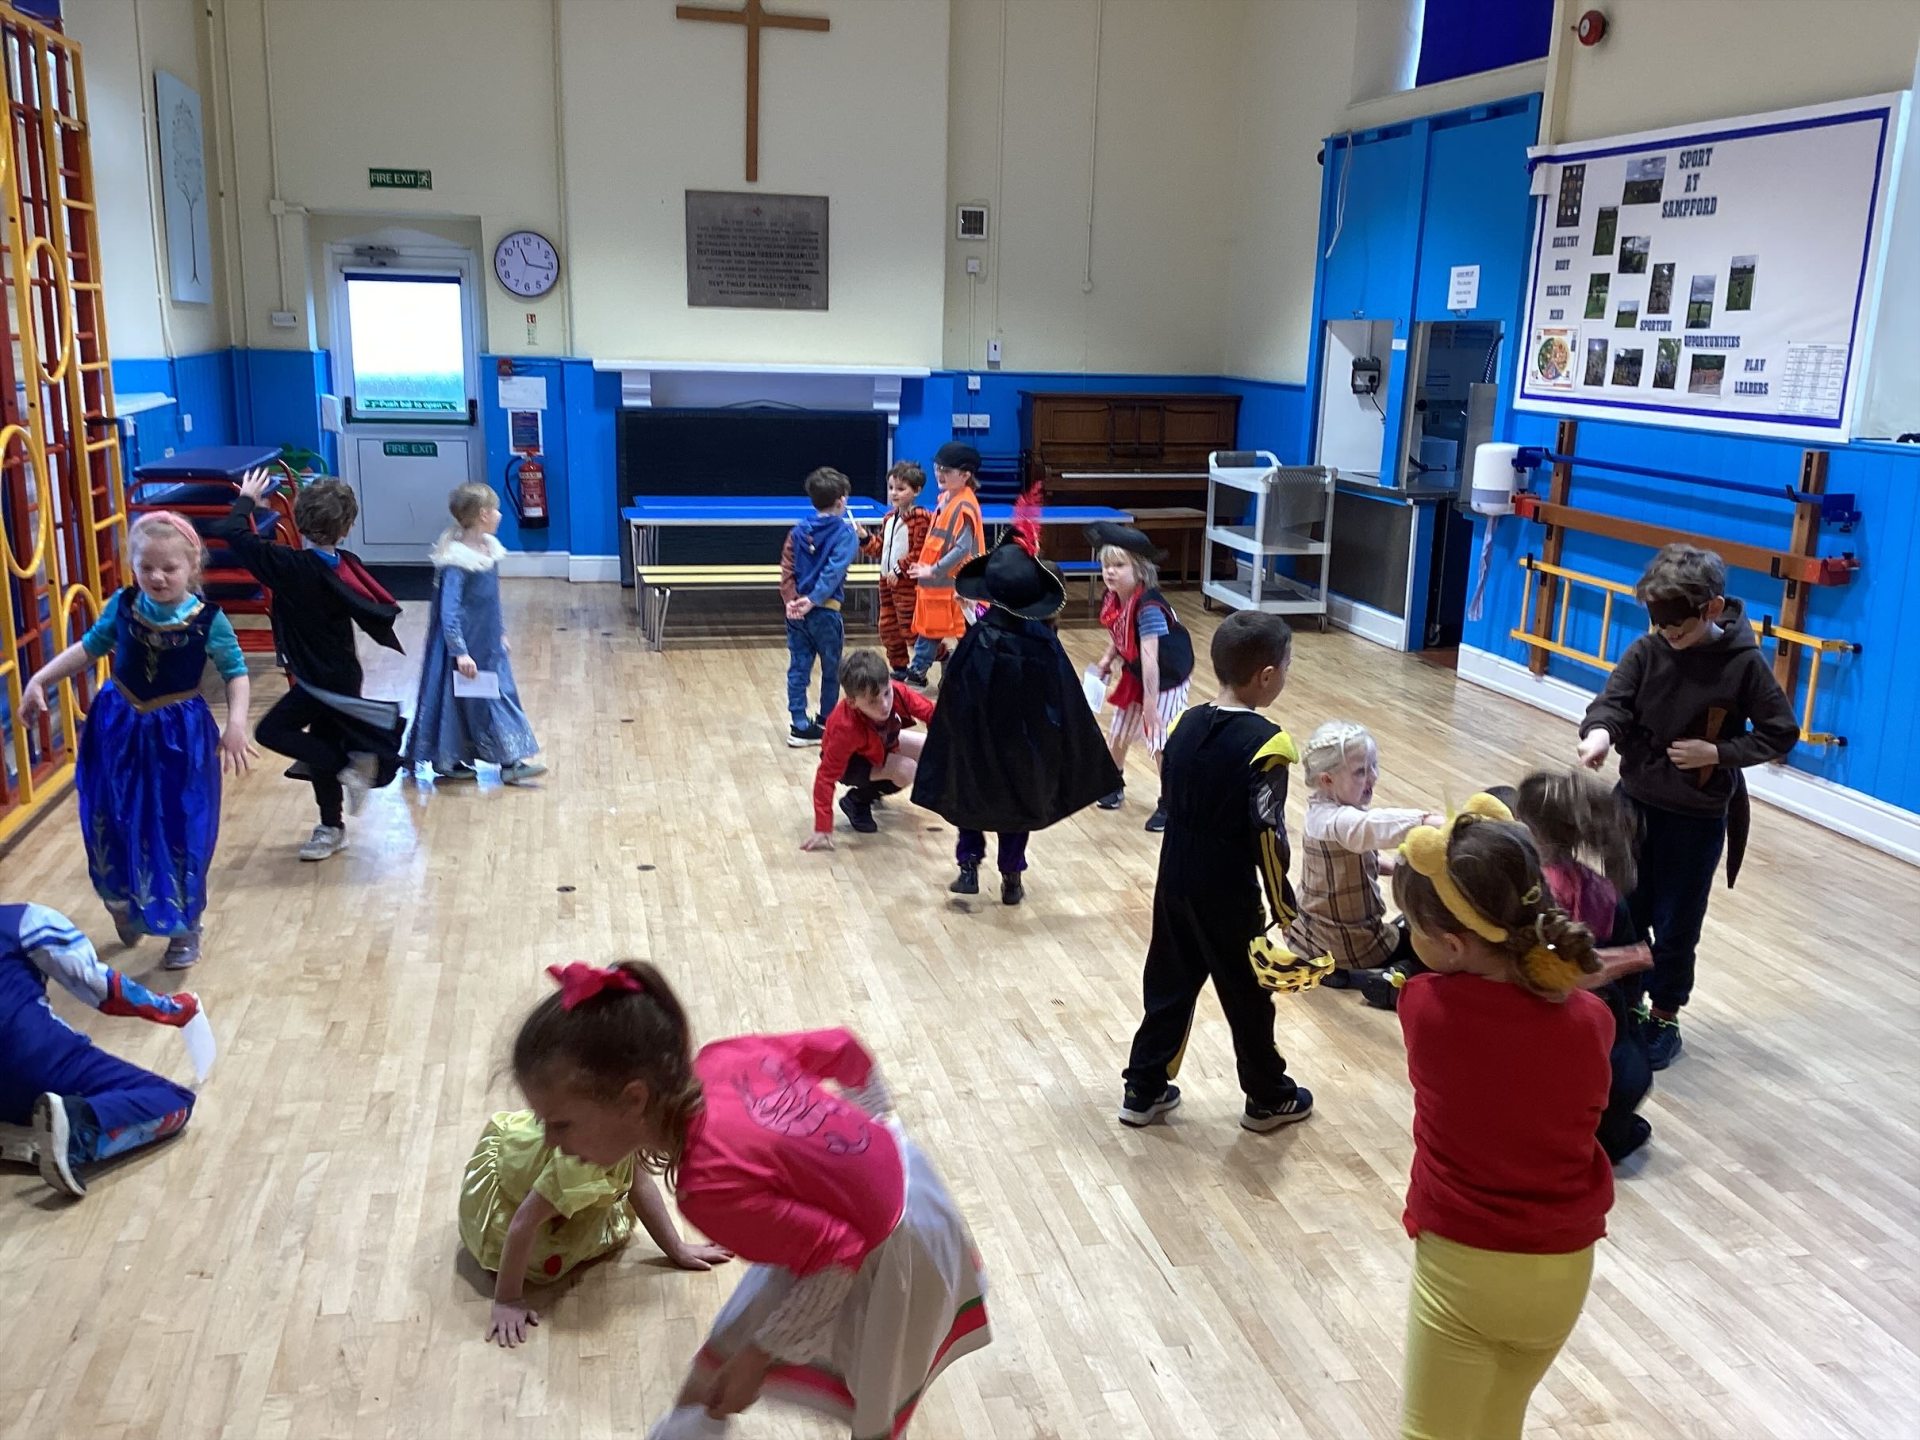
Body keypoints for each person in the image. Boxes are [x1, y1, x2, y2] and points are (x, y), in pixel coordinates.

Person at [508, 961, 991, 1437]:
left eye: (561, 1124)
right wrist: (878, 1130)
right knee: (720, 1365)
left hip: (893, 1249)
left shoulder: (709, 1189)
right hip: (903, 1186)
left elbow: (838, 1255)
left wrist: (759, 1358)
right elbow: (843, 1048)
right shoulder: (722, 1058)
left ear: (634, 1099)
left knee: (873, 1398)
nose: (550, 1143)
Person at [1389, 794, 1613, 1440]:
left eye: (1414, 926)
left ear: (1453, 945)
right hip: (1564, 1268)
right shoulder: (1594, 1022)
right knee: (1497, 1425)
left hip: (1468, 1268)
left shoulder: (1425, 1008)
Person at [1577, 543, 1797, 1068]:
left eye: (1677, 625)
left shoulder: (1743, 665)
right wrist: (1601, 734)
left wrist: (1717, 753)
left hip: (1695, 819)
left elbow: (1780, 732)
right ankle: (1624, 1003)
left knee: (1677, 921)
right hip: (1633, 807)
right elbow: (1613, 703)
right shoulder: (1647, 650)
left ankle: (1664, 1015)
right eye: (1660, 624)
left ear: (1712, 609)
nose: (1668, 634)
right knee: (1624, 910)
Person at [1119, 610, 1328, 1133]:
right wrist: (1284, 908)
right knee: (1247, 995)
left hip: (1173, 878)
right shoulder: (1268, 745)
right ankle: (1268, 1097)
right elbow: (1267, 835)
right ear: (1267, 676)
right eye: (1287, 667)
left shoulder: (1183, 724)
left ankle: (1142, 1088)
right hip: (1227, 891)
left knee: (1168, 983)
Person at [20, 511, 254, 968]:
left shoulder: (209, 620)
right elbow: (90, 647)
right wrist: (40, 679)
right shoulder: (124, 605)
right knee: (110, 813)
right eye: (146, 567)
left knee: (180, 825)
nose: (157, 577)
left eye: (169, 567)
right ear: (133, 566)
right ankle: (122, 901)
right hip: (118, 728)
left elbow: (236, 673)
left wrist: (236, 724)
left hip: (179, 738)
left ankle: (183, 926)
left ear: (192, 566)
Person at [910, 535, 1121, 906]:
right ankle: (1011, 876)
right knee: (1018, 805)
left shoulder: (977, 639)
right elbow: (1062, 698)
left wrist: (954, 737)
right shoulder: (1043, 642)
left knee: (969, 797)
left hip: (976, 743)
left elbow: (955, 695)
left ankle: (968, 866)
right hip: (1024, 745)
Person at [212, 468, 407, 862]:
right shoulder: (345, 563)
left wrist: (249, 499)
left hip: (321, 681)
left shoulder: (289, 566)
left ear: (297, 519)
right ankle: (332, 826)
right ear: (347, 528)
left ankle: (350, 766)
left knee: (271, 731)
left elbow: (233, 531)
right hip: (340, 673)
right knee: (321, 744)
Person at [461, 1100, 731, 1348]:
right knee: (543, 1221)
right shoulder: (575, 1163)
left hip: (556, 1189)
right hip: (517, 1204)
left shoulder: (624, 1131)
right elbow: (522, 1223)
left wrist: (676, 1248)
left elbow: (638, 1183)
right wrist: (507, 1300)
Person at [1504, 770, 1656, 1164]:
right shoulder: (1605, 892)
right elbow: (1632, 988)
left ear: (1529, 829)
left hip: (1550, 1043)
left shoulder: (1527, 891)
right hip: (1613, 1053)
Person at [0, 903, 202, 1199]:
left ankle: (23, 1133)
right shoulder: (25, 919)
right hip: (35, 1056)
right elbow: (103, 989)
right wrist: (171, 1009)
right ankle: (74, 1136)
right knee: (174, 1102)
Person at [1286, 721, 1441, 1011]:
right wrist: (1427, 822)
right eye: (1361, 771)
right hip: (1352, 941)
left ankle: (1337, 970)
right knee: (1432, 941)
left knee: (1405, 925)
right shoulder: (1340, 821)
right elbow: (1374, 825)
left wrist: (1394, 866)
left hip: (1310, 937)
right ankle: (1396, 978)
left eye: (1374, 766)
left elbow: (1351, 862)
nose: (1373, 776)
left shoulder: (1319, 814)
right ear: (1327, 779)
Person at [403, 482, 545, 784]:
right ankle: (460, 759)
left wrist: (500, 631)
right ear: (482, 514)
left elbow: (492, 602)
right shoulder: (457, 562)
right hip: (468, 647)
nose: (500, 515)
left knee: (497, 696)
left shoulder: (488, 552)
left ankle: (508, 761)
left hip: (487, 643)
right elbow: (449, 610)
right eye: (495, 509)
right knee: (467, 701)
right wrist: (460, 652)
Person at [1087, 523, 1196, 832]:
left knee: (1159, 738)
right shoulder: (1115, 598)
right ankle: (1114, 782)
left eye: (1119, 565)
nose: (1110, 572)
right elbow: (1120, 634)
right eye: (1106, 565)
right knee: (1119, 730)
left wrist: (1150, 705)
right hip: (1140, 670)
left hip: (1167, 676)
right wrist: (1107, 659)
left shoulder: (1148, 608)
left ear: (1140, 570)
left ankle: (1171, 802)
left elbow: (1151, 658)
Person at [801, 650, 934, 849]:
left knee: (929, 747)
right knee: (907, 770)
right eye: (873, 701)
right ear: (852, 702)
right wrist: (823, 825)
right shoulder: (844, 727)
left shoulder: (897, 691)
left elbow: (933, 715)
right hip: (850, 764)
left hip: (879, 744)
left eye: (887, 693)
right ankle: (857, 800)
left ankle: (877, 785)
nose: (885, 705)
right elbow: (825, 777)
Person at [779, 467, 859, 746]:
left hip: (796, 614)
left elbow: (786, 569)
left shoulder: (797, 531)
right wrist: (812, 600)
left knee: (798, 667)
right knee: (831, 668)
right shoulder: (846, 533)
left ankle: (799, 724)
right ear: (841, 500)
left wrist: (792, 601)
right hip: (825, 611)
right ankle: (826, 722)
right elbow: (833, 572)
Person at [905, 442, 986, 688]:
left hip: (958, 586)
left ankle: (927, 674)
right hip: (939, 586)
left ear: (965, 475)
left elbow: (962, 549)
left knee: (963, 634)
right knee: (935, 630)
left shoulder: (964, 505)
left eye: (946, 470)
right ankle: (944, 674)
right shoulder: (946, 499)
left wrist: (933, 569)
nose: (939, 474)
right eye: (937, 467)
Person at [860, 461, 932, 679]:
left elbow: (920, 551)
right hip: (887, 582)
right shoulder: (889, 518)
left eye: (901, 489)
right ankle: (900, 668)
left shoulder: (921, 518)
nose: (894, 493)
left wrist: (900, 569)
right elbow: (880, 548)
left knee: (911, 630)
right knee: (888, 629)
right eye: (891, 488)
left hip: (907, 584)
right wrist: (866, 539)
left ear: (916, 491)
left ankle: (941, 656)